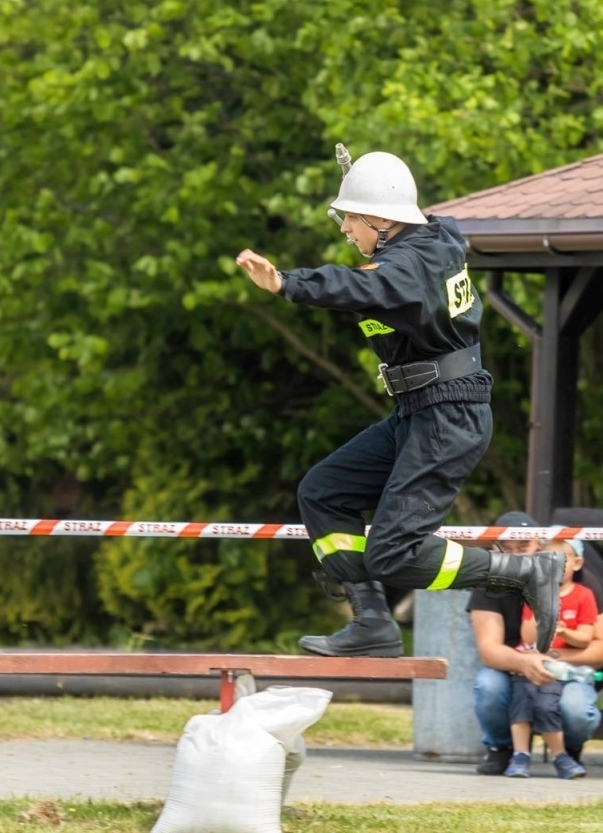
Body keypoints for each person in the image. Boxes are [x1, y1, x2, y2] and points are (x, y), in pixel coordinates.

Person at [234, 148, 564, 655]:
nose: (345, 228)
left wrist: (286, 283)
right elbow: (413, 235)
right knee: (323, 492)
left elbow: (356, 283)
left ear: (384, 219)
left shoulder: (408, 267)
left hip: (448, 415)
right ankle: (371, 622)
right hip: (419, 411)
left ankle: (520, 570)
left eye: (350, 217)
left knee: (392, 554)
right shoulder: (425, 243)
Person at [468, 512, 603, 775]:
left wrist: (550, 658)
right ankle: (501, 749)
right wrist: (525, 662)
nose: (517, 556)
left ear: (540, 545)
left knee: (577, 708)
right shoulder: (487, 583)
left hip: (565, 669)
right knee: (488, 684)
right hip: (512, 670)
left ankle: (569, 750)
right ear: (494, 549)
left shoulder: (580, 582)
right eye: (506, 548)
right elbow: (489, 650)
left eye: (524, 546)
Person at [504, 537, 598, 779]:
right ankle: (520, 755)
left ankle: (560, 756)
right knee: (520, 704)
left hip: (558, 669)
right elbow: (526, 633)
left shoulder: (584, 595)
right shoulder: (534, 592)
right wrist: (543, 617)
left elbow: (586, 637)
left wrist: (565, 631)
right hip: (531, 663)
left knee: (546, 707)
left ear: (577, 564)